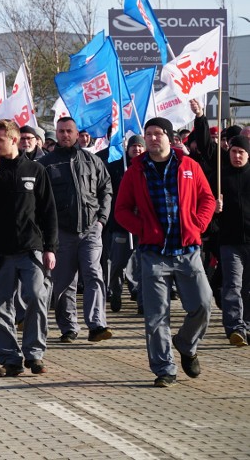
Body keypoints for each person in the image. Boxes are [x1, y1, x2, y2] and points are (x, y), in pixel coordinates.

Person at [115, 118, 216, 387]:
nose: (151, 138)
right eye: (147, 134)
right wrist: (144, 229)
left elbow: (207, 198)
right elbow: (121, 210)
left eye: (157, 134)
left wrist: (198, 223)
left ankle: (186, 343)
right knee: (156, 314)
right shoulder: (136, 171)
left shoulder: (188, 166)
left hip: (187, 250)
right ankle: (164, 368)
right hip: (153, 253)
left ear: (169, 138)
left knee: (204, 305)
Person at [0, 121, 57, 377]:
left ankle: (35, 354)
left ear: (14, 140)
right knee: (1, 307)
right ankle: (10, 359)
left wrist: (50, 247)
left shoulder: (36, 170)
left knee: (37, 297)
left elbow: (48, 212)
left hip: (31, 249)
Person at [39, 117, 113, 343]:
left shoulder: (92, 161)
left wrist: (101, 220)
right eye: (60, 131)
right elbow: (40, 200)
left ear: (77, 133)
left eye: (68, 131)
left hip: (91, 229)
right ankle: (69, 327)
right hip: (61, 231)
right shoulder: (46, 164)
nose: (64, 135)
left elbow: (106, 190)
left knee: (93, 274)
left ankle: (97, 324)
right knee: (64, 282)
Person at [214, 135, 250, 346]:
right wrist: (215, 209)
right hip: (229, 241)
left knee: (248, 287)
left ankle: (247, 323)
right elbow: (208, 206)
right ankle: (235, 327)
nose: (237, 156)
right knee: (232, 285)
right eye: (233, 151)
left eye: (241, 152)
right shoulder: (221, 177)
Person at [105, 135, 145, 312]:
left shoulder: (148, 168)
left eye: (139, 147)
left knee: (143, 265)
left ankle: (142, 301)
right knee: (118, 263)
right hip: (121, 226)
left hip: (144, 226)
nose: (136, 149)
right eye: (133, 146)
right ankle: (116, 291)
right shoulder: (115, 168)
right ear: (127, 149)